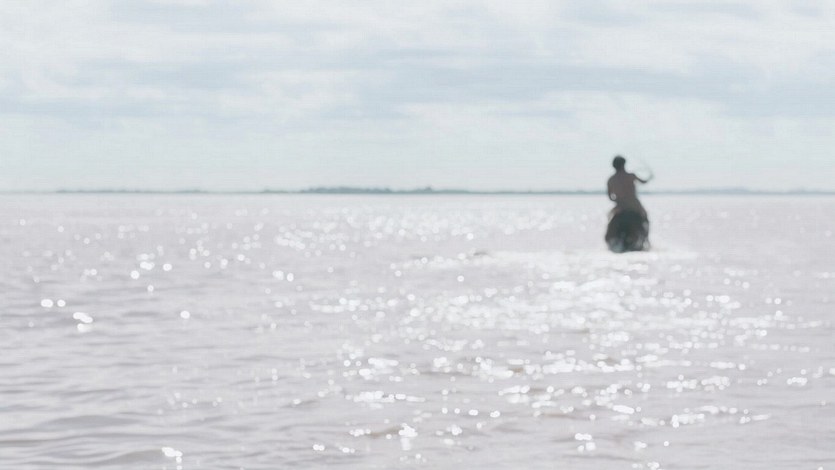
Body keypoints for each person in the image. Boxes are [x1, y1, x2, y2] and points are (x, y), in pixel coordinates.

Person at [607, 155, 652, 221]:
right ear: (623, 165)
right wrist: (650, 177)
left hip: (620, 205)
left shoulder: (611, 180)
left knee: (610, 218)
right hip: (634, 204)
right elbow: (643, 182)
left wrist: (618, 200)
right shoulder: (631, 176)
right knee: (644, 217)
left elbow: (610, 196)